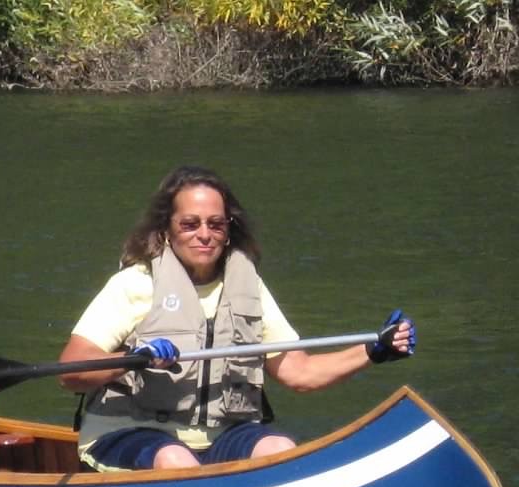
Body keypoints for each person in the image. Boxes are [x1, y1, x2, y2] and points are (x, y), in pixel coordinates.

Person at [58, 165, 416, 471]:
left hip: (221, 435)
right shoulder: (136, 284)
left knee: (280, 450)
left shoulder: (248, 288)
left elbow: (299, 373)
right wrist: (135, 359)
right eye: (190, 224)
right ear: (167, 229)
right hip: (130, 432)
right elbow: (72, 371)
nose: (204, 234)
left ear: (229, 229)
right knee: (176, 460)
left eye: (216, 224)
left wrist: (375, 350)